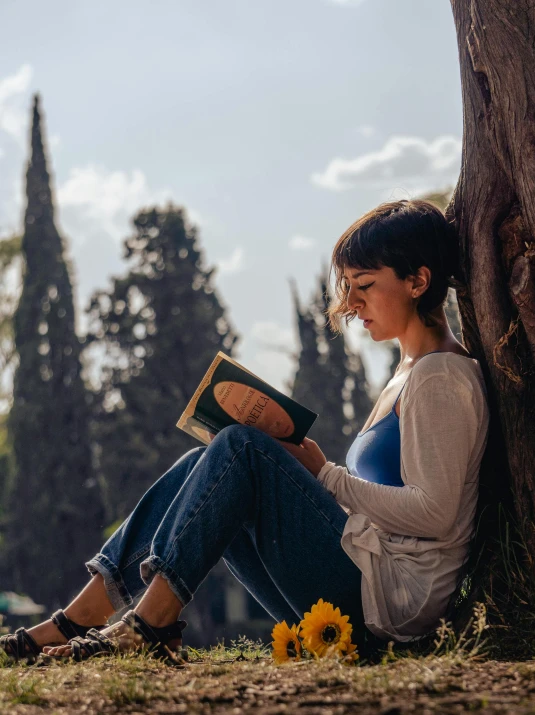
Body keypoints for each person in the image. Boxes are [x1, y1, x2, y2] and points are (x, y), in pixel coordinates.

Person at [1, 199, 489, 663]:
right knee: (206, 464)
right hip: (363, 579)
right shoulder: (407, 374)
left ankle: (148, 625)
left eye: (364, 284)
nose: (352, 302)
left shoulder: (439, 377)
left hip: (392, 604)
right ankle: (85, 615)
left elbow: (436, 515)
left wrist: (326, 476)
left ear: (418, 280)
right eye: (347, 286)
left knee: (239, 450)